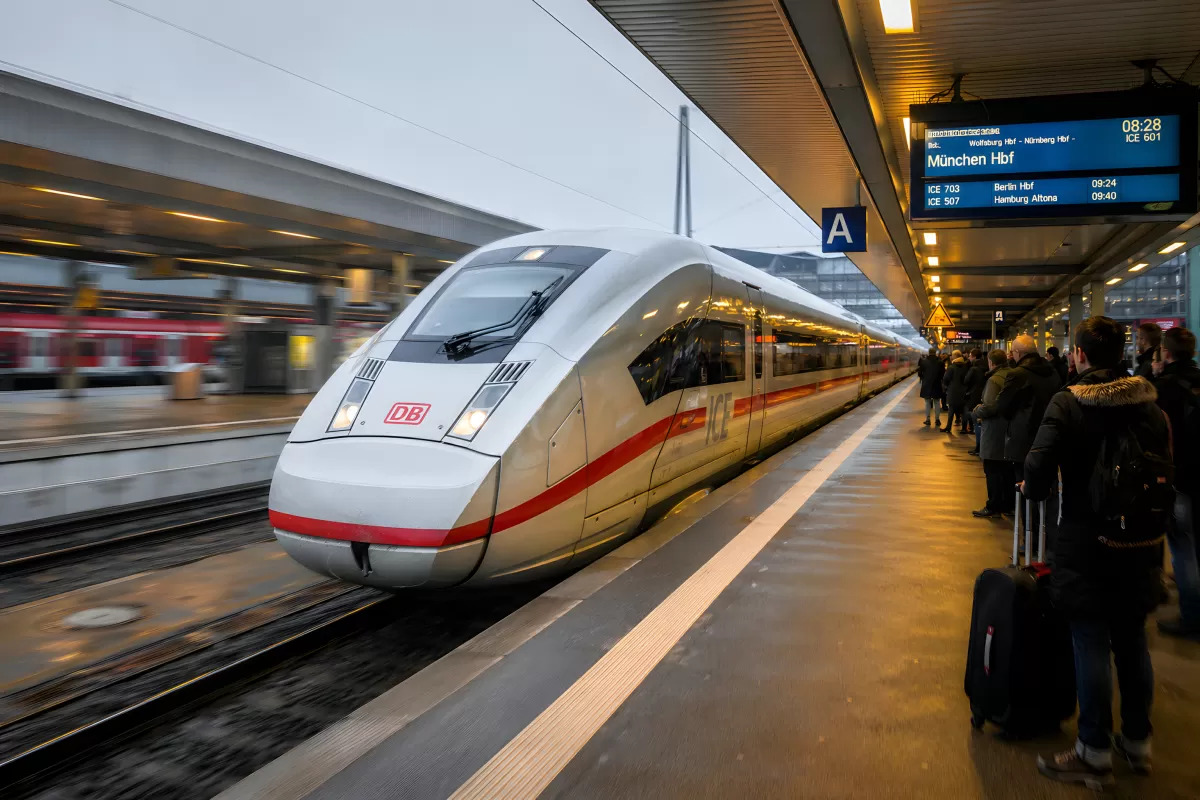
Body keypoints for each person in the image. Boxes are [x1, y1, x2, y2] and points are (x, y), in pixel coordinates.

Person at [1022, 316, 1170, 786]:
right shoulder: (1152, 407)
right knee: (1132, 641)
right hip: (1143, 541)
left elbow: (1038, 471)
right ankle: (1138, 741)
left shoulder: (1068, 403)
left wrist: (1032, 484)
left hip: (1087, 543)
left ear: (1080, 355)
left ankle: (1093, 750)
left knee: (1089, 641)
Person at [1151, 326, 1200, 639]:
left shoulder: (1163, 387)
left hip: (1180, 476)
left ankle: (1192, 617)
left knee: (1183, 548)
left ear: (1166, 353)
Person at [971, 349, 1013, 517]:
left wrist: (976, 411)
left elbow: (989, 407)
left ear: (991, 362)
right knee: (1007, 471)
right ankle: (1008, 505)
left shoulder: (994, 379)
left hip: (995, 430)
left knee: (992, 470)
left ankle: (993, 506)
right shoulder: (1012, 374)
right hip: (1010, 430)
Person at [942, 349, 970, 433]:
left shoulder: (952, 367)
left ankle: (948, 427)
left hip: (953, 391)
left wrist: (946, 387)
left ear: (955, 356)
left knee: (951, 410)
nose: (951, 357)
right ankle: (964, 428)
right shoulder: (966, 366)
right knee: (964, 411)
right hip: (964, 392)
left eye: (952, 355)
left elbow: (945, 379)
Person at [964, 348, 987, 450]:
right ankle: (981, 446)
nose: (969, 357)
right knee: (982, 422)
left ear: (973, 356)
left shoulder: (973, 369)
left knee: (976, 421)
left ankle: (978, 447)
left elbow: (966, 381)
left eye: (970, 356)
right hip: (984, 396)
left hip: (974, 396)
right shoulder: (987, 366)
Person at [918, 347, 945, 427]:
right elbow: (942, 374)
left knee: (927, 402)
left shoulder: (924, 362)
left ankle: (928, 419)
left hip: (926, 385)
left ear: (929, 353)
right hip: (937, 384)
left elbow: (920, 373)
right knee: (937, 402)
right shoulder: (940, 362)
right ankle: (937, 420)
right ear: (935, 353)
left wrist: (925, 378)